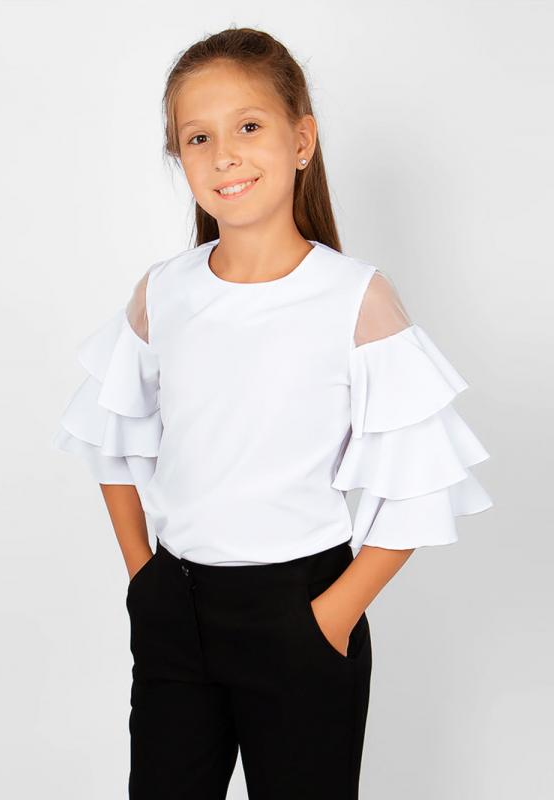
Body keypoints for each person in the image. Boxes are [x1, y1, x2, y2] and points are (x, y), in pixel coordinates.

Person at [51, 26, 493, 800]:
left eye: (249, 126)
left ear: (301, 141)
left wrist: (331, 617)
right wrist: (143, 578)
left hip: (300, 618)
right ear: (179, 156)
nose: (224, 155)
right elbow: (109, 431)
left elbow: (420, 483)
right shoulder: (166, 290)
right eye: (199, 137)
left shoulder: (354, 298)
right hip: (176, 615)